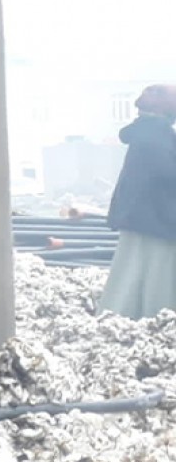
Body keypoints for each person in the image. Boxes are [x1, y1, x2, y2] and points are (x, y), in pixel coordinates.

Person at [100, 84, 176, 319]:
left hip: (142, 218)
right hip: (159, 221)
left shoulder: (146, 133)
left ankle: (122, 315)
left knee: (131, 272)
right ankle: (156, 319)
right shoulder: (157, 136)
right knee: (158, 277)